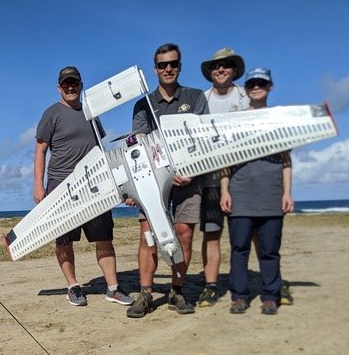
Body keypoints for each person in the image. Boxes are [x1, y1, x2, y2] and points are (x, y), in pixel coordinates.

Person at [34, 66, 134, 307]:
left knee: (103, 236)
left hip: (94, 182)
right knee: (64, 239)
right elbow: (40, 151)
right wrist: (39, 186)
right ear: (59, 87)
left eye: (74, 83)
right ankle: (73, 286)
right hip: (61, 184)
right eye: (66, 83)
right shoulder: (51, 113)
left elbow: (101, 147)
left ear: (80, 85)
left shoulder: (91, 112)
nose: (70, 87)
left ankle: (113, 287)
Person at [126, 43, 209, 318]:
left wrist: (193, 171)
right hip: (153, 183)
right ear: (155, 69)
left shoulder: (195, 97)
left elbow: (203, 138)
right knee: (148, 236)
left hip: (189, 177)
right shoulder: (144, 104)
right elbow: (137, 145)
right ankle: (146, 294)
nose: (168, 69)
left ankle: (176, 290)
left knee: (184, 234)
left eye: (173, 63)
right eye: (162, 65)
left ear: (180, 66)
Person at [220, 67, 295, 315]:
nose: (256, 87)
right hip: (240, 196)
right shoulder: (235, 121)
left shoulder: (279, 121)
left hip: (272, 197)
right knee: (239, 250)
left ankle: (270, 296)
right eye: (251, 83)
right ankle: (239, 297)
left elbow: (286, 161)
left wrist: (287, 193)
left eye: (261, 83)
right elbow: (224, 161)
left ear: (270, 86)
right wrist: (225, 191)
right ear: (246, 88)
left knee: (269, 251)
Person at [197, 48, 249, 307]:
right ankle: (210, 286)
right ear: (209, 72)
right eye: (216, 66)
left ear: (234, 69)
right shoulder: (201, 100)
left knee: (248, 236)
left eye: (226, 65)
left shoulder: (246, 97)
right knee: (212, 234)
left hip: (243, 179)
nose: (220, 69)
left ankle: (257, 282)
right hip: (211, 181)